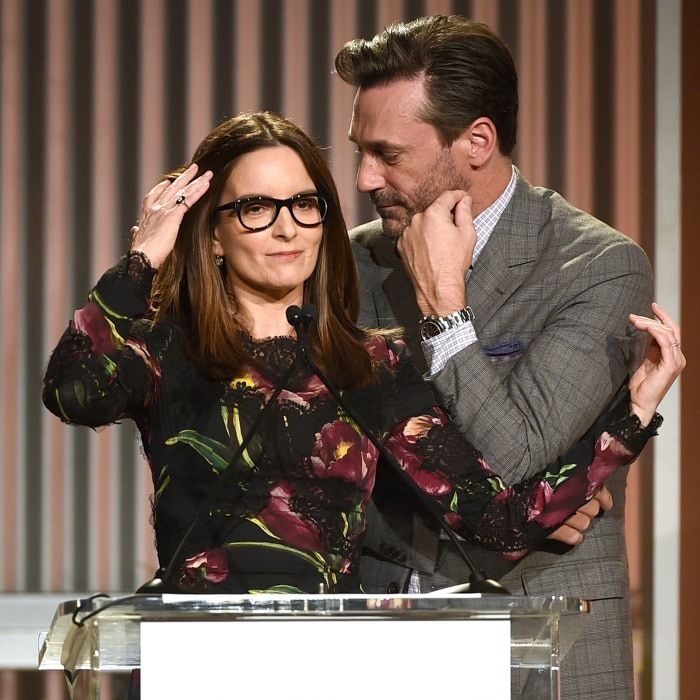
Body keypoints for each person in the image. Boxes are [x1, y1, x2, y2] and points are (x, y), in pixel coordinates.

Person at [42, 112, 676, 599]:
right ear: (211, 231)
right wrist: (145, 256)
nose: (288, 227)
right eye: (257, 208)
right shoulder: (165, 347)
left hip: (331, 666)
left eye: (305, 204)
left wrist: (634, 416)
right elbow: (71, 390)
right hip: (194, 664)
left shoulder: (370, 364)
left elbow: (497, 521)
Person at [335, 15, 683, 699]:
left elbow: (515, 454)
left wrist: (445, 308)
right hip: (383, 630)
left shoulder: (598, 266)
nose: (364, 176)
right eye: (360, 149)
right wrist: (555, 497)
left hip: (541, 631)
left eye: (389, 153)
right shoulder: (352, 261)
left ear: (477, 140)